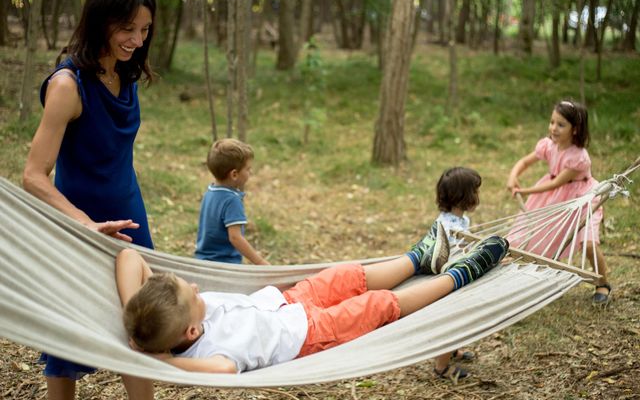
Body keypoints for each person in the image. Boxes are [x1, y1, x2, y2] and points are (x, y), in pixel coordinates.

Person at [22, 0, 156, 399]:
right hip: (78, 227)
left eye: (145, 30)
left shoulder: (125, 73)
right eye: (127, 29)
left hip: (130, 225)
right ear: (101, 20)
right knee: (67, 338)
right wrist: (84, 223)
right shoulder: (67, 85)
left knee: (140, 331)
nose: (137, 39)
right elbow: (32, 175)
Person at [117, 233, 509, 373]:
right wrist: (167, 362)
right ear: (190, 331)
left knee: (346, 274)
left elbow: (128, 258)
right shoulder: (213, 351)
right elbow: (221, 371)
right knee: (377, 305)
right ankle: (457, 276)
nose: (196, 286)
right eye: (193, 293)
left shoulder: (164, 311)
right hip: (308, 334)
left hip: (288, 301)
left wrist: (134, 318)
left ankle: (417, 259)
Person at [507, 99, 610, 305]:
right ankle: (534, 274)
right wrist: (513, 176)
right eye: (552, 122)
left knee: (588, 244)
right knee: (535, 235)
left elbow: (557, 184)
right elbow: (525, 161)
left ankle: (603, 283)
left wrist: (524, 190)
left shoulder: (579, 157)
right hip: (555, 195)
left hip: (582, 199)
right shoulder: (548, 145)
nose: (553, 128)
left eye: (561, 124)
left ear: (575, 129)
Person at [428, 167, 482, 380]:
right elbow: (454, 254)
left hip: (458, 275)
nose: (478, 197)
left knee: (460, 318)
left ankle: (452, 350)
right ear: (464, 197)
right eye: (475, 192)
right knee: (451, 321)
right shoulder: (448, 226)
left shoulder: (460, 220)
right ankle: (441, 368)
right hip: (448, 280)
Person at [195, 138, 269, 265]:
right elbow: (235, 237)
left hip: (202, 262)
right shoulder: (232, 200)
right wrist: (261, 262)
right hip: (225, 265)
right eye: (248, 169)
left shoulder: (210, 192)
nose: (250, 172)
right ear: (234, 174)